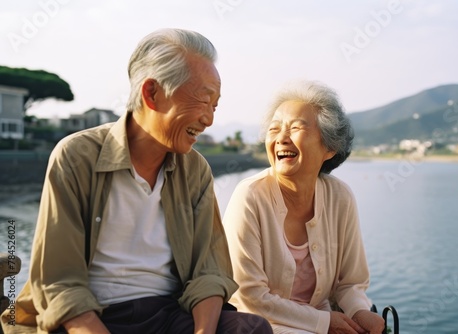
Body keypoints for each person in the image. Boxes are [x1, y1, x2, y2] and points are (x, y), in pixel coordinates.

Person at [1, 28, 272, 334]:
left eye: (215, 106)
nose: (209, 119)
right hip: (90, 317)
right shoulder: (76, 157)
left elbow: (209, 270)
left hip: (168, 315)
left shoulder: (195, 169)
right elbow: (58, 282)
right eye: (203, 100)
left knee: (251, 329)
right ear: (152, 93)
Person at [222, 80, 385, 334]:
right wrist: (324, 323)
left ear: (329, 147)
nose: (281, 139)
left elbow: (351, 283)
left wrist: (360, 312)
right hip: (259, 325)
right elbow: (249, 296)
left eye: (296, 128)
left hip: (322, 322)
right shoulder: (250, 196)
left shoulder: (340, 197)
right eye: (274, 129)